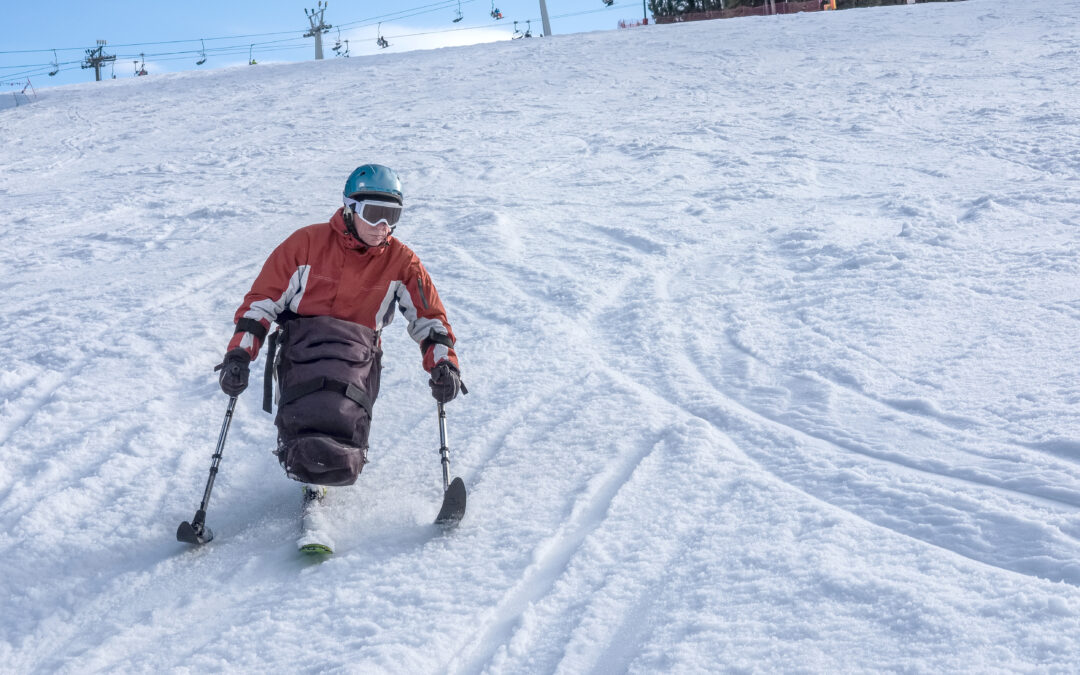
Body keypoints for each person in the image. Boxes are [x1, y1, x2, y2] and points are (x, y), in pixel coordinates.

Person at [216, 164, 462, 520]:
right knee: (306, 410)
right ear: (349, 207)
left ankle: (332, 465)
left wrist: (443, 363)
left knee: (346, 416)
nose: (383, 227)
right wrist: (240, 354)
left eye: (392, 216)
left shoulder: (402, 262)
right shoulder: (306, 244)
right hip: (302, 349)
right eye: (374, 214)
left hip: (358, 355)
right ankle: (311, 473)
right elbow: (261, 304)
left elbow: (430, 319)